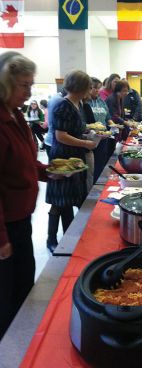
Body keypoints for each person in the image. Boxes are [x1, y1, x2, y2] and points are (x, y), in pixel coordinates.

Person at [0, 51, 48, 339]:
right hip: (6, 225)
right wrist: (1, 237)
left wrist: (46, 172)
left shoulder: (16, 115)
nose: (29, 91)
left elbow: (25, 162)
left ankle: (21, 339)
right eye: (23, 85)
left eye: (31, 84)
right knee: (7, 293)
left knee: (24, 283)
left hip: (21, 218)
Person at [45, 70, 97, 253]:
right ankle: (51, 239)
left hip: (76, 157)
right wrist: (85, 143)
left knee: (71, 198)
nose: (91, 90)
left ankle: (68, 235)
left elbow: (75, 131)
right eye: (89, 87)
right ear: (81, 87)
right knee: (59, 200)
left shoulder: (79, 104)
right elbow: (61, 136)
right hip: (63, 158)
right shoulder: (63, 106)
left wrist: (87, 135)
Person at [88, 77, 116, 181]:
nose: (96, 90)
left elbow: (108, 118)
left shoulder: (101, 102)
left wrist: (114, 126)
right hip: (91, 138)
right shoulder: (86, 103)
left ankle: (99, 184)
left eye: (98, 88)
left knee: (101, 163)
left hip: (104, 137)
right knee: (91, 166)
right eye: (94, 88)